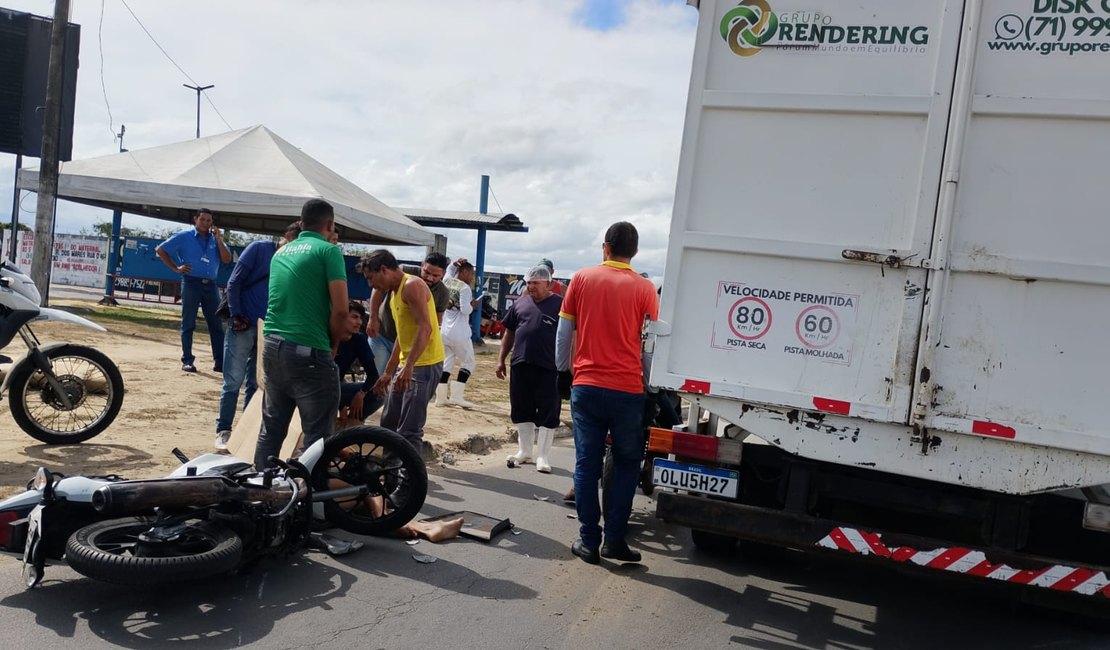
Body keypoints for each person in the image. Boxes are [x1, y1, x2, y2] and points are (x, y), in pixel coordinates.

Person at [556, 221, 659, 565]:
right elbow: (649, 345)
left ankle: (589, 541)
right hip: (628, 391)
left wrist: (563, 370)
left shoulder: (581, 279)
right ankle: (614, 541)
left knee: (587, 463)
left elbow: (564, 332)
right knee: (628, 464)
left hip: (586, 385)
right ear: (635, 252)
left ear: (605, 247)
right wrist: (647, 382)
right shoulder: (645, 289)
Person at [254, 199, 349, 470]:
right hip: (308, 350)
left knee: (271, 429)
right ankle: (311, 502)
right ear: (330, 224)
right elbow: (342, 311)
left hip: (272, 346)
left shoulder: (281, 253)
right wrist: (332, 346)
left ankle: (260, 493)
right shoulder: (329, 252)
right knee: (318, 437)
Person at [214, 221, 302, 450]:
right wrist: (236, 315)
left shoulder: (293, 262)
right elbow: (234, 283)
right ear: (288, 236)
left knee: (255, 383)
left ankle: (245, 431)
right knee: (232, 380)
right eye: (296, 242)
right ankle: (223, 429)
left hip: (267, 330)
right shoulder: (259, 249)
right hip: (243, 324)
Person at [362, 249, 446, 452]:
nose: (371, 285)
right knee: (389, 424)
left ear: (384, 270)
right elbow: (403, 335)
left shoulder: (412, 286)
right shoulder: (394, 291)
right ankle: (390, 476)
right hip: (406, 364)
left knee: (409, 431)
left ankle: (410, 481)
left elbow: (425, 328)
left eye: (371, 278)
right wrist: (388, 372)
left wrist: (409, 365)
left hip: (423, 365)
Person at [496, 264, 563, 473]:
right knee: (521, 408)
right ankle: (524, 451)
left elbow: (570, 336)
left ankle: (542, 456)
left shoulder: (561, 305)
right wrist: (501, 359)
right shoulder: (521, 303)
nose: (531, 286)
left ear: (548, 283)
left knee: (548, 411)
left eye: (536, 283)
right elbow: (509, 333)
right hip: (521, 364)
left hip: (549, 367)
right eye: (529, 282)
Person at [155, 208, 232, 372]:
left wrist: (219, 239)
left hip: (211, 284)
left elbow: (227, 259)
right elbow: (160, 250)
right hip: (191, 282)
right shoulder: (184, 236)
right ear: (195, 219)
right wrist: (176, 268)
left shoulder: (215, 239)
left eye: (209, 221)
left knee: (216, 324)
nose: (206, 223)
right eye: (203, 219)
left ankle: (220, 362)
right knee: (188, 322)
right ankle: (187, 360)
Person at [435, 259, 479, 408]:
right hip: (460, 332)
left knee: (447, 362)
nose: (472, 277)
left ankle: (440, 398)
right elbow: (466, 310)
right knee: (469, 362)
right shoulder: (465, 288)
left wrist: (454, 263)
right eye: (471, 273)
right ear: (464, 272)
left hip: (444, 330)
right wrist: (473, 306)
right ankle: (456, 396)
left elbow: (448, 269)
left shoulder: (446, 280)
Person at [335, 301, 384, 423]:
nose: (359, 322)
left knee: (379, 393)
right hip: (322, 389)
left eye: (361, 318)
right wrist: (341, 407)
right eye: (354, 317)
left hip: (338, 387)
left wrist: (361, 394)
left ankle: (352, 424)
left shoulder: (359, 339)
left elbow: (373, 375)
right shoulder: (329, 335)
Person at [422, 252, 451, 325]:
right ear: (422, 265)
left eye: (435, 276)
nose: (429, 278)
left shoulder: (443, 293)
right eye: (426, 273)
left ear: (443, 274)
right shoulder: (404, 272)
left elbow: (437, 322)